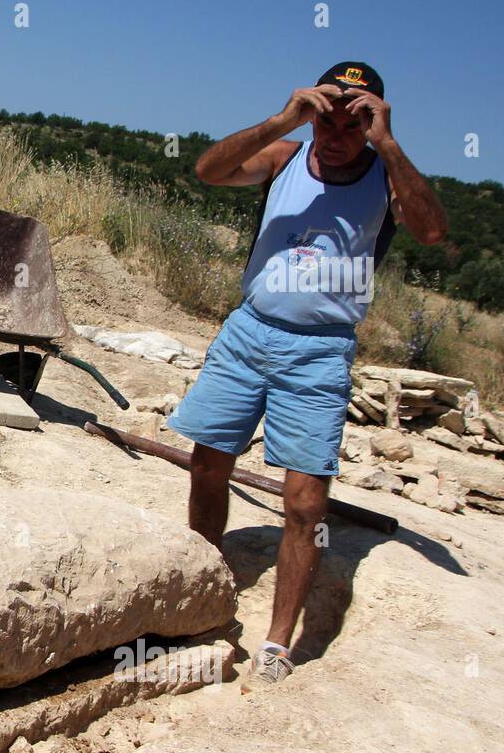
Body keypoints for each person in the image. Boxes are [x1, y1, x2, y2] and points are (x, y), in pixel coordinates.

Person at [168, 61, 448, 691]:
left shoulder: (385, 175)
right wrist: (283, 118)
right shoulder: (287, 153)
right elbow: (208, 171)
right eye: (327, 114)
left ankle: (276, 640)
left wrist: (390, 146)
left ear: (373, 118)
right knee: (208, 463)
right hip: (249, 331)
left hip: (320, 350)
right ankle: (200, 582)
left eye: (354, 119)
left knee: (304, 501)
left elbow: (432, 230)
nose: (336, 131)